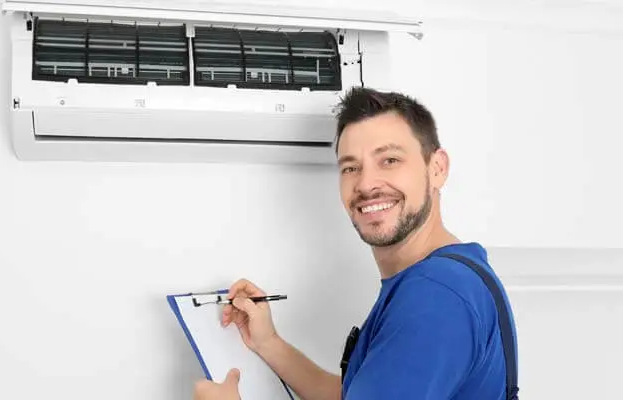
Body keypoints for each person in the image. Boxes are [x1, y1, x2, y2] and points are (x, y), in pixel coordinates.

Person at [192, 87, 518, 400]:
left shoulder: (435, 294)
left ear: (437, 168)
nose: (366, 184)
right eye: (351, 167)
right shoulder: (452, 275)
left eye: (389, 160)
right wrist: (269, 343)